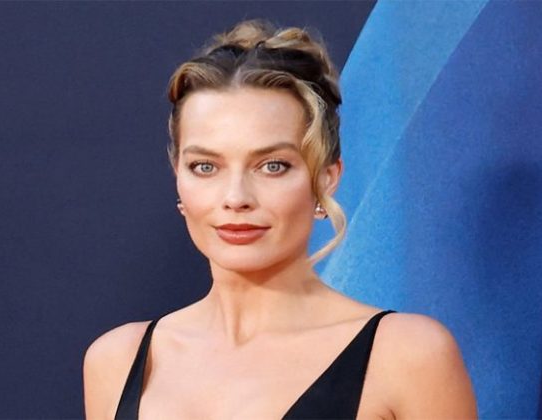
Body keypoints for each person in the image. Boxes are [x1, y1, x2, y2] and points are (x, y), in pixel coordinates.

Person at [83, 19, 477, 419]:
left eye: (272, 166)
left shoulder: (407, 356)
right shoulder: (116, 360)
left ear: (325, 178)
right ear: (179, 179)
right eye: (205, 167)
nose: (236, 198)